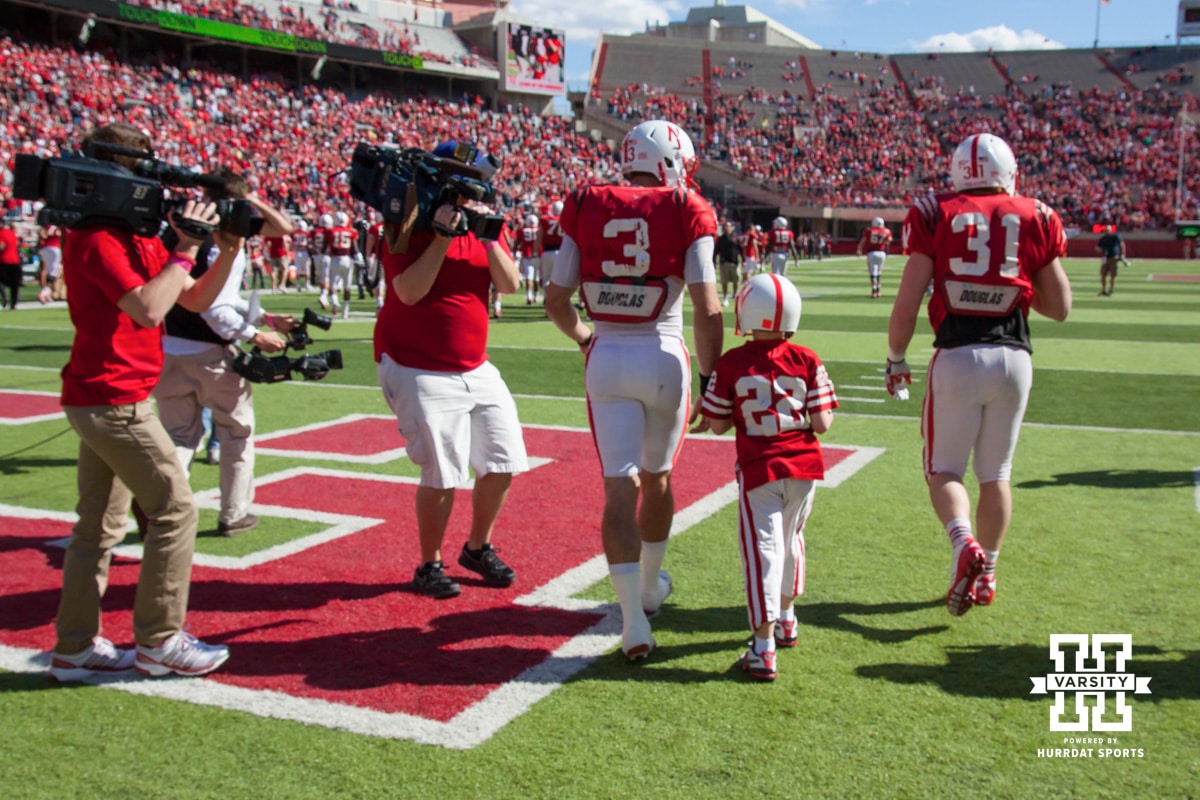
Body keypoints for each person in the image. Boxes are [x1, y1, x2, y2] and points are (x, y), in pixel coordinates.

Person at [51, 122, 240, 681]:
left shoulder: (127, 234)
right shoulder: (96, 237)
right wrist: (182, 248)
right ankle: (159, 640)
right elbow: (148, 309)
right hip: (112, 399)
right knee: (176, 510)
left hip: (109, 395)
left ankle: (75, 647)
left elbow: (194, 297)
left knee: (98, 529)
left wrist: (223, 250)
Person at [544, 119, 724, 660]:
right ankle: (648, 589)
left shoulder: (583, 200)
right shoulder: (686, 205)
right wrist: (713, 379)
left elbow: (557, 302)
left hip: (607, 355)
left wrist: (586, 340)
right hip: (664, 353)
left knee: (617, 490)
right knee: (658, 477)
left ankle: (631, 624)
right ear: (673, 161)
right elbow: (708, 307)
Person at [885, 132, 1072, 618]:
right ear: (1008, 171)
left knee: (944, 470)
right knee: (998, 474)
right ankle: (987, 571)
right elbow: (1060, 307)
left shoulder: (934, 211)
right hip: (1014, 356)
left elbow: (907, 303)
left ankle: (963, 542)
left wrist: (896, 357)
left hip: (957, 353)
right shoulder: (1037, 214)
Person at [375, 139, 529, 599]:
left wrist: (483, 234)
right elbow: (408, 291)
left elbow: (510, 283)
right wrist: (442, 237)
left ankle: (477, 547)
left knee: (504, 460)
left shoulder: (483, 223)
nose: (463, 188)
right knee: (443, 472)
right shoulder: (404, 222)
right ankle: (429, 564)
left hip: (474, 364)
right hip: (416, 364)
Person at [700, 273, 838, 681]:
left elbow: (720, 424)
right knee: (791, 542)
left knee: (763, 552)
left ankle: (763, 647)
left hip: (760, 468)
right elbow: (823, 422)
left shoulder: (731, 363)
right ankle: (788, 619)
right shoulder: (807, 359)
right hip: (804, 466)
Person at [154, 167, 297, 538]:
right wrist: (255, 334)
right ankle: (233, 514)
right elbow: (214, 307)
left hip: (170, 348)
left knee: (179, 437)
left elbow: (280, 229)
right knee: (236, 435)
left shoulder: (179, 227)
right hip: (211, 353)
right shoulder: (224, 238)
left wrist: (263, 315)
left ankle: (164, 512)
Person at [857, 216, 893, 298]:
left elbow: (863, 241)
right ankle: (878, 291)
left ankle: (874, 291)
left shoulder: (869, 231)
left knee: (873, 273)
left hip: (872, 252)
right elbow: (890, 240)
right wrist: (883, 242)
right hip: (882, 253)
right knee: (879, 273)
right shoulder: (886, 231)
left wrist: (859, 250)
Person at [714, 220, 743, 306]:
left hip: (734, 262)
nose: (726, 227)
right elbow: (716, 250)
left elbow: (740, 249)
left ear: (732, 227)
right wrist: (714, 260)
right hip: (724, 262)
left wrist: (743, 259)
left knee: (736, 280)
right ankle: (725, 298)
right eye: (725, 226)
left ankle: (734, 294)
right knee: (724, 282)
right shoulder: (721, 239)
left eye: (728, 226)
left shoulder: (736, 238)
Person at [37, 223, 64, 303]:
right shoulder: (60, 227)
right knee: (56, 271)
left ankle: (45, 291)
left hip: (45, 248)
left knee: (44, 270)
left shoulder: (47, 226)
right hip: (55, 248)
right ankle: (45, 291)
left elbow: (42, 235)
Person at [1096, 224, 1125, 296]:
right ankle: (1103, 290)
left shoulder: (1115, 236)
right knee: (1103, 274)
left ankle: (1111, 290)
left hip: (1113, 257)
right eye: (1105, 230)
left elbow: (1121, 244)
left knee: (1113, 275)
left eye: (1108, 230)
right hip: (1105, 258)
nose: (1106, 231)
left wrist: (1122, 254)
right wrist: (1098, 249)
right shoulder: (1103, 239)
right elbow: (1098, 247)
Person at [0, 219, 22, 310]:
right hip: (15, 260)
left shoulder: (1, 234)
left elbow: (1, 246)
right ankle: (14, 303)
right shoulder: (12, 233)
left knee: (1, 281)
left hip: (4, 260)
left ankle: (4, 295)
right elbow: (17, 244)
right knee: (14, 284)